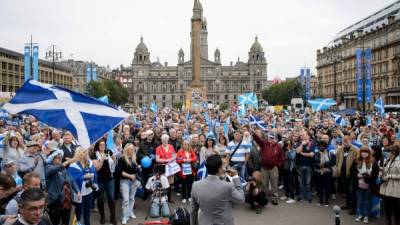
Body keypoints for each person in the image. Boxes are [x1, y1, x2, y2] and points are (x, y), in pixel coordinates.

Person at [190, 155, 245, 225]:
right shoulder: (227, 186)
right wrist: (235, 177)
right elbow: (241, 199)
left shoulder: (196, 185)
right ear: (219, 169)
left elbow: (193, 211)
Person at [45, 148, 80, 225]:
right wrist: (67, 162)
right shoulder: (48, 167)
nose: (60, 159)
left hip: (68, 200)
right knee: (56, 222)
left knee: (66, 221)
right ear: (52, 158)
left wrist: (77, 191)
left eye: (61, 157)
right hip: (56, 201)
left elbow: (71, 180)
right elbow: (54, 170)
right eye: (58, 157)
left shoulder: (63, 168)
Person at [252, 130, 284, 205]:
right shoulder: (264, 144)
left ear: (275, 139)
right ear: (268, 138)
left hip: (273, 169)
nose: (271, 139)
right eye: (270, 138)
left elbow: (281, 158)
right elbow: (258, 140)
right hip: (264, 168)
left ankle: (274, 198)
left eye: (272, 138)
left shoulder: (278, 147)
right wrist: (254, 134)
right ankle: (265, 197)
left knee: (274, 184)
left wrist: (278, 165)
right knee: (264, 184)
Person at [68, 147, 98, 225]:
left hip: (89, 189)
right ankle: (77, 222)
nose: (86, 154)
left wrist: (92, 175)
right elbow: (72, 178)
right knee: (79, 209)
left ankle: (87, 222)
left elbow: (94, 172)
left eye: (86, 152)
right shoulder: (73, 165)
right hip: (79, 191)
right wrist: (83, 177)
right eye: (84, 152)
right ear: (79, 153)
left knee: (87, 208)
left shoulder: (89, 162)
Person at [90, 139, 117, 225]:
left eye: (104, 144)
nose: (102, 146)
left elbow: (114, 159)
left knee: (111, 197)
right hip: (99, 180)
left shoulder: (108, 151)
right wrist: (101, 159)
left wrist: (112, 162)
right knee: (100, 199)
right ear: (97, 146)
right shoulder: (94, 154)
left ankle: (113, 217)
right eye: (100, 145)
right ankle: (102, 217)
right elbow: (97, 168)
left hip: (110, 179)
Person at [116, 144, 140, 225]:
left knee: (132, 198)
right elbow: (119, 171)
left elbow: (136, 170)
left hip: (133, 181)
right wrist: (130, 176)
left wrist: (137, 170)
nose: (132, 150)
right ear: (126, 150)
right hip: (124, 181)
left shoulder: (134, 158)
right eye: (130, 149)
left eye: (133, 149)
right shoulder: (121, 159)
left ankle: (130, 212)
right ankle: (124, 217)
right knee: (126, 200)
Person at [336, 134, 359, 215]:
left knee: (352, 190)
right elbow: (338, 159)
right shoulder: (340, 149)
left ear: (350, 141)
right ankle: (347, 203)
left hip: (351, 174)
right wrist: (338, 168)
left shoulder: (355, 149)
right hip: (342, 173)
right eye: (344, 141)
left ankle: (353, 207)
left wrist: (353, 171)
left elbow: (357, 161)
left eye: (347, 141)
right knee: (346, 190)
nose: (345, 143)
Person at [379, 144, 400, 225]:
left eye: (389, 153)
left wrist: (390, 176)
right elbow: (386, 170)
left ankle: (397, 221)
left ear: (394, 153)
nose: (387, 154)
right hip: (387, 185)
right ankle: (388, 220)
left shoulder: (398, 162)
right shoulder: (388, 160)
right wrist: (381, 172)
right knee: (387, 205)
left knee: (395, 205)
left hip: (395, 186)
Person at [313, 141, 335, 207]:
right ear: (318, 147)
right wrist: (318, 165)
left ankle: (326, 201)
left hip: (327, 172)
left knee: (327, 187)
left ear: (325, 147)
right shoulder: (316, 154)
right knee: (319, 187)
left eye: (323, 146)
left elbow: (333, 162)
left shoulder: (330, 153)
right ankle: (320, 200)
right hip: (318, 172)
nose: (321, 147)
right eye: (320, 146)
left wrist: (324, 164)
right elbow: (312, 162)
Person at [155, 134, 176, 203]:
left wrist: (172, 161)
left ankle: (169, 198)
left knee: (170, 184)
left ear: (168, 140)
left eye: (166, 140)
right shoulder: (158, 148)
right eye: (163, 140)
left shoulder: (171, 146)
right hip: (161, 168)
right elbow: (157, 159)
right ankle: (162, 199)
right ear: (161, 140)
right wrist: (166, 160)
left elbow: (174, 156)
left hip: (170, 167)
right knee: (162, 183)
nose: (165, 141)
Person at [295, 132, 315, 203]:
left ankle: (308, 197)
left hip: (308, 165)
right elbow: (297, 152)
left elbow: (312, 154)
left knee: (308, 182)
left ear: (307, 136)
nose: (302, 136)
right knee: (300, 182)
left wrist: (303, 153)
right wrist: (301, 145)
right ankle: (301, 196)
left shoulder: (311, 143)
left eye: (303, 135)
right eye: (301, 135)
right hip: (300, 165)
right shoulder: (299, 143)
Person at [355, 146, 373, 224]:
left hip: (368, 185)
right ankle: (360, 214)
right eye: (362, 152)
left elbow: (374, 174)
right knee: (359, 200)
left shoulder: (372, 162)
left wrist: (364, 176)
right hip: (359, 184)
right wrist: (357, 175)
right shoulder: (357, 161)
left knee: (367, 201)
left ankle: (366, 216)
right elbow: (353, 171)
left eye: (366, 152)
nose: (364, 154)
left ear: (368, 153)